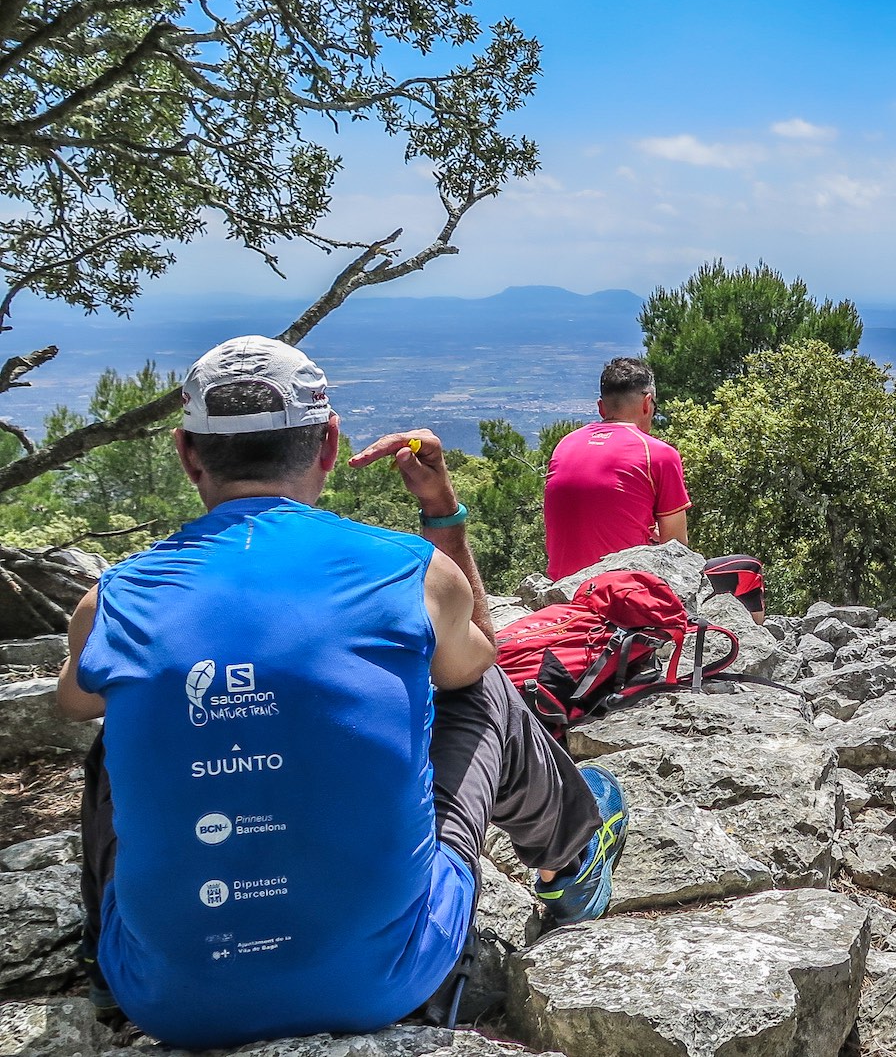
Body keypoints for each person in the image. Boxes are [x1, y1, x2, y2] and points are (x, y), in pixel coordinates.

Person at [54, 336, 630, 1050]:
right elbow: (472, 661)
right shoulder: (408, 573)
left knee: (120, 728)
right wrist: (441, 510)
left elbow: (75, 703)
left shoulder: (114, 599)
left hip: (167, 999)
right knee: (481, 697)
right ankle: (570, 860)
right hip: (384, 979)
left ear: (187, 452)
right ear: (329, 443)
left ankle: (101, 962)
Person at [543, 357, 765, 621]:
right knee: (748, 570)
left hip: (563, 590)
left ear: (601, 408)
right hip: (624, 596)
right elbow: (677, 550)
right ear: (647, 403)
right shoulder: (657, 453)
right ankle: (752, 648)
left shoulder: (564, 446)